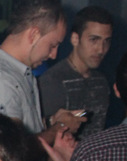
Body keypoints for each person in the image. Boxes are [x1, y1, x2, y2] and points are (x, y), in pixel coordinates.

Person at [0, 0, 84, 161]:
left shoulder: (20, 73)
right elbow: (10, 152)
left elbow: (20, 129)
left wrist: (51, 122)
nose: (53, 55)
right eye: (52, 45)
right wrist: (58, 129)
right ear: (33, 35)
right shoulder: (1, 80)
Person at [39, 6, 113, 140]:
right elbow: (42, 137)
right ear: (75, 39)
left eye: (106, 41)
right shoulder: (52, 81)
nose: (101, 49)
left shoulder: (102, 82)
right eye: (93, 40)